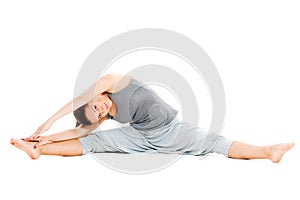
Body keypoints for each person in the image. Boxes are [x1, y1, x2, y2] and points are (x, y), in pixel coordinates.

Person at [11, 74, 294, 163]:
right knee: (94, 142)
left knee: (215, 143)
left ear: (96, 95)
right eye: (97, 113)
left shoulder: (113, 81)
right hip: (139, 137)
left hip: (171, 131)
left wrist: (48, 121)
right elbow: (81, 133)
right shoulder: (100, 115)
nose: (100, 108)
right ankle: (38, 151)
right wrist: (45, 138)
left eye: (96, 105)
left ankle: (269, 151)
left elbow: (78, 100)